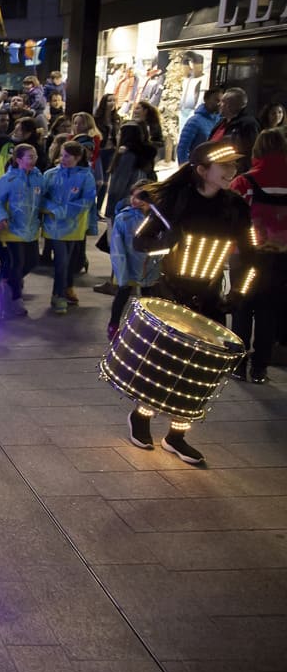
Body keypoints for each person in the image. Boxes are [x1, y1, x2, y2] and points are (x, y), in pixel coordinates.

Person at [130, 141, 258, 463]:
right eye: (224, 166)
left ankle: (177, 434)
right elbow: (140, 242)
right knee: (163, 365)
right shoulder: (173, 202)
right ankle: (141, 416)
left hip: (211, 297)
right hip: (170, 295)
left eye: (233, 165)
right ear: (201, 170)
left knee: (200, 373)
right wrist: (164, 242)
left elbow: (252, 255)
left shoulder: (235, 207)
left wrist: (240, 291)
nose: (232, 171)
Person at [229, 128, 287, 384]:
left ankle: (238, 365)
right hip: (281, 259)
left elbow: (229, 219)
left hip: (247, 257)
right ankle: (260, 368)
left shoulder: (244, 183)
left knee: (242, 308)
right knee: (269, 311)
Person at [40, 142, 96, 314]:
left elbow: (87, 200)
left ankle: (64, 290)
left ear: (77, 158)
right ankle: (58, 296)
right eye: (62, 155)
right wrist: (53, 210)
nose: (62, 159)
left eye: (67, 156)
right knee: (61, 261)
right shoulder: (50, 174)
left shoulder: (86, 176)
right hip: (54, 225)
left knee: (68, 262)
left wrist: (63, 211)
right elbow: (41, 197)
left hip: (74, 226)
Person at [0, 143, 43, 316]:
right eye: (29, 156)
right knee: (17, 263)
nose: (33, 160)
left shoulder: (38, 177)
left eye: (34, 156)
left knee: (33, 260)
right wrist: (1, 216)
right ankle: (15, 300)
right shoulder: (8, 179)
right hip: (12, 228)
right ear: (19, 160)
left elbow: (43, 197)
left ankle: (3, 284)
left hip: (31, 227)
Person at [107, 181, 161, 341]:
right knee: (122, 295)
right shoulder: (124, 218)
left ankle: (148, 329)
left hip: (149, 267)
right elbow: (117, 248)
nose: (135, 200)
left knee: (148, 300)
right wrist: (122, 274)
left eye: (140, 196)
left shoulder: (157, 220)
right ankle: (113, 324)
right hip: (129, 266)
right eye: (133, 195)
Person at [176, 88, 221, 165]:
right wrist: (185, 169)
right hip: (197, 167)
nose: (219, 104)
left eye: (221, 101)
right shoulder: (194, 121)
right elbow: (182, 148)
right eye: (216, 100)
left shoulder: (220, 121)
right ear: (206, 99)